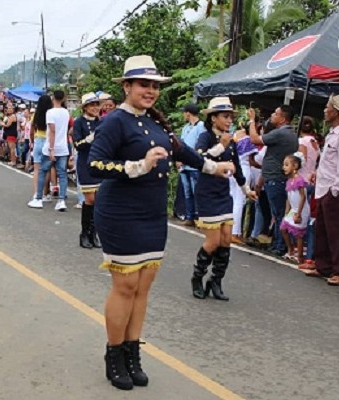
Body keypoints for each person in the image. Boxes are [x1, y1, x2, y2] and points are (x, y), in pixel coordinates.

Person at [87, 56, 232, 390]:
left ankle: (133, 352)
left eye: (154, 85)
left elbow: (181, 151)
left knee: (143, 288)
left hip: (152, 215)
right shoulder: (114, 122)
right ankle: (114, 356)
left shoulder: (156, 123)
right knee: (124, 286)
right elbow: (95, 164)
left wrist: (213, 167)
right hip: (121, 215)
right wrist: (137, 165)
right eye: (143, 84)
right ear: (126, 86)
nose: (150, 91)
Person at [192, 98, 257, 302]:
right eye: (225, 116)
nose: (229, 120)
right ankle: (197, 278)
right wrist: (221, 146)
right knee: (213, 241)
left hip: (223, 194)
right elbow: (199, 160)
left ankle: (216, 281)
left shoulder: (232, 142)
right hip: (207, 193)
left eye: (231, 117)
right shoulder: (205, 137)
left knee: (227, 239)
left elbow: (237, 168)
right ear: (213, 118)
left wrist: (247, 190)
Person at [249, 104, 298, 256]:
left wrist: (252, 120)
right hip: (276, 177)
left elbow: (254, 139)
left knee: (278, 214)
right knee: (278, 213)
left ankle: (280, 245)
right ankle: (278, 243)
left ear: (283, 119)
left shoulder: (280, 134)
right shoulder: (291, 135)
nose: (272, 115)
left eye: (275, 113)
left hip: (276, 178)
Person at [304, 94, 339, 285]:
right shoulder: (332, 133)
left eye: (328, 107)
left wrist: (335, 189)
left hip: (333, 189)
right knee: (322, 228)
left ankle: (337, 269)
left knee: (335, 231)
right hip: (323, 186)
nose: (325, 110)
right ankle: (323, 265)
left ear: (336, 110)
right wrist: (317, 172)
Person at [27, 91, 70, 212]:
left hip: (50, 147)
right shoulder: (66, 112)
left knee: (42, 171)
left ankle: (38, 198)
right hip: (63, 147)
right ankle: (61, 201)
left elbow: (52, 131)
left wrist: (51, 149)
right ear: (64, 98)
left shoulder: (50, 112)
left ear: (53, 98)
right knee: (62, 174)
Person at [72, 92, 103, 248]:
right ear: (85, 107)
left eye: (97, 104)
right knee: (89, 199)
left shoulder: (101, 122)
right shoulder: (79, 123)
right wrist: (90, 138)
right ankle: (84, 233)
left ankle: (94, 233)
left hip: (100, 164)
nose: (95, 108)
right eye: (92, 105)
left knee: (99, 200)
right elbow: (77, 144)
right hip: (85, 163)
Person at [279, 153, 309, 263]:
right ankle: (290, 248)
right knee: (283, 228)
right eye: (284, 165)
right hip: (293, 209)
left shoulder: (298, 180)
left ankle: (299, 256)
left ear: (295, 166)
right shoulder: (289, 181)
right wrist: (287, 211)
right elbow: (289, 197)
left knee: (298, 234)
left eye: (287, 165)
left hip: (301, 210)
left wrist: (299, 213)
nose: (284, 167)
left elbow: (303, 197)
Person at [178, 103, 204, 226]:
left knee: (196, 190)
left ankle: (199, 216)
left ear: (188, 113)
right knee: (187, 191)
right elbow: (181, 143)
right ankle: (190, 216)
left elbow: (200, 144)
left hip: (193, 163)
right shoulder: (185, 128)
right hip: (184, 164)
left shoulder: (201, 126)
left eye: (184, 112)